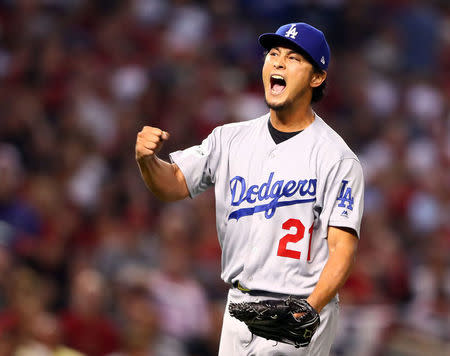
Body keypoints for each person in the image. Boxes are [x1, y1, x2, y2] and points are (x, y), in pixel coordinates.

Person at [135, 22, 364, 356]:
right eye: (273, 54)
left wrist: (310, 308)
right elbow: (173, 184)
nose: (279, 63)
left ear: (317, 77)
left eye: (294, 58)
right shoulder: (229, 139)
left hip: (298, 303)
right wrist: (146, 160)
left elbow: (342, 249)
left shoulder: (336, 158)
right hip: (238, 304)